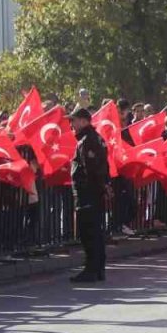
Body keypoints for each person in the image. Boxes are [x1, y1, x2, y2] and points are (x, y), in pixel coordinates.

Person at [69, 107, 110, 283]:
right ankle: (97, 268)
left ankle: (91, 269)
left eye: (75, 120)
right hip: (93, 192)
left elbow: (91, 169)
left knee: (89, 232)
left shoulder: (87, 141)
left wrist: (93, 190)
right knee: (96, 231)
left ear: (84, 121)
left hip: (88, 194)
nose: (72, 124)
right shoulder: (95, 138)